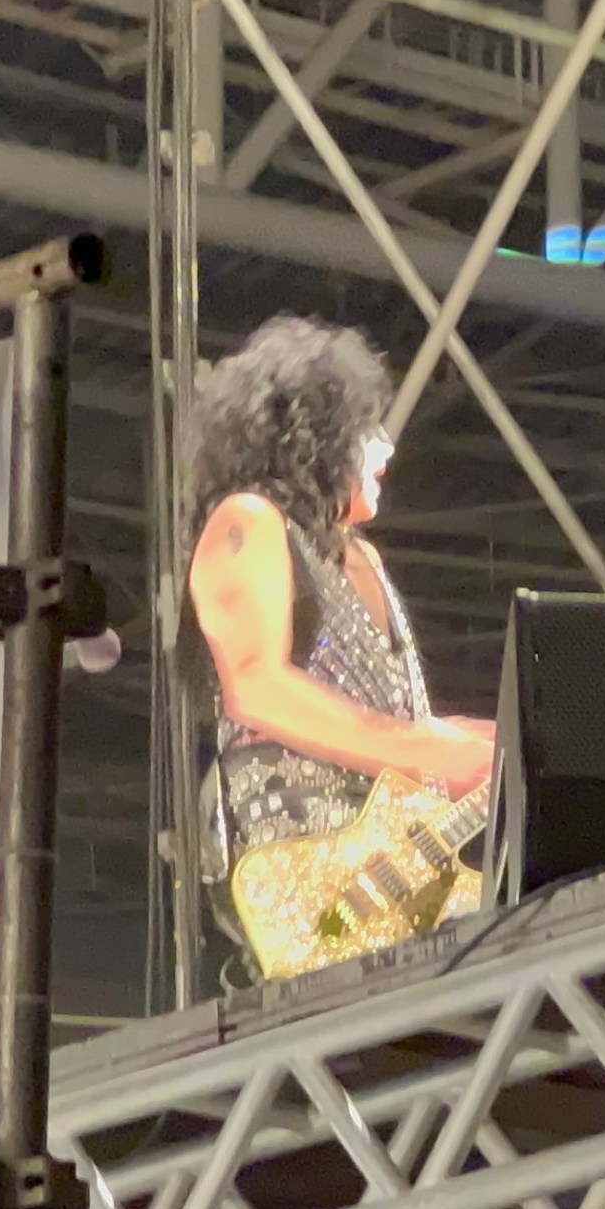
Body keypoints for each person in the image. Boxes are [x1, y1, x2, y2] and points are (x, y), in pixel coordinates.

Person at [185, 316, 495, 940]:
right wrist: (428, 750)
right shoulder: (247, 522)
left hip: (394, 866)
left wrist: (485, 744)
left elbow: (393, 716)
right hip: (306, 863)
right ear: (315, 439)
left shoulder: (364, 559)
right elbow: (256, 686)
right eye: (365, 430)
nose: (386, 450)